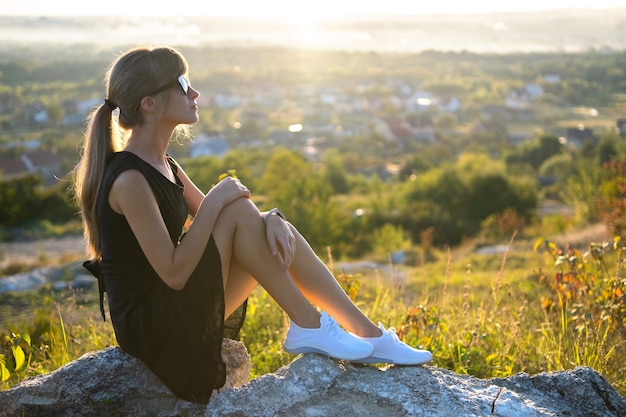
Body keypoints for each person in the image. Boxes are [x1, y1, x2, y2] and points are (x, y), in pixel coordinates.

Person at [73, 45, 432, 404]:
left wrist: (273, 218)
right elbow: (173, 273)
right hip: (155, 329)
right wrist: (216, 200)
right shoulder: (129, 179)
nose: (194, 93)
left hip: (175, 308)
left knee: (268, 226)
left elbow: (237, 219)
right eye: (183, 83)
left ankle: (365, 333)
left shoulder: (165, 165)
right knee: (236, 212)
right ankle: (309, 324)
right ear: (150, 104)